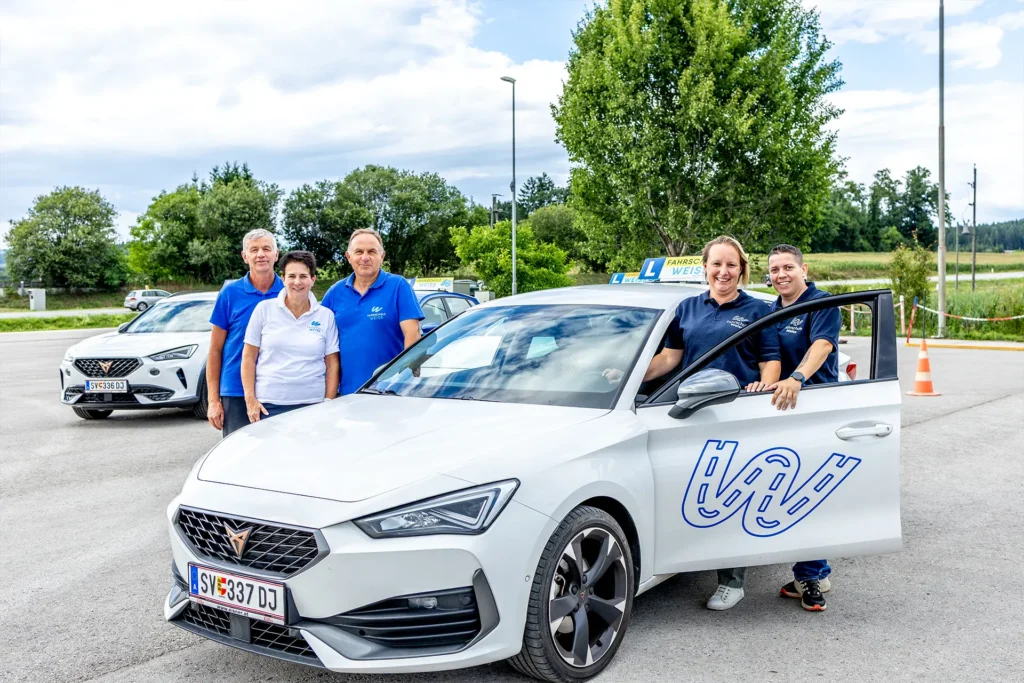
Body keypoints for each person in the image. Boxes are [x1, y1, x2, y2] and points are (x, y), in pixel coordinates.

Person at [608, 236, 781, 611]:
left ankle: (731, 580)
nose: (723, 271)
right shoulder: (686, 308)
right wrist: (626, 376)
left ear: (742, 269)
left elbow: (770, 360)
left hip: (734, 413)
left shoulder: (756, 310)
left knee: (731, 495)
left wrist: (765, 385)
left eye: (731, 265)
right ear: (704, 267)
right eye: (716, 264)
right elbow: (670, 359)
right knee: (695, 494)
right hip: (687, 412)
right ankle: (686, 557)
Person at [765, 243, 842, 612]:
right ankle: (816, 569)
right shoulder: (769, 311)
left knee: (805, 494)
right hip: (780, 408)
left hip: (815, 408)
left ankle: (809, 575)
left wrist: (797, 378)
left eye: (787, 268)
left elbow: (822, 346)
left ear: (803, 269)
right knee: (786, 490)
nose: (781, 275)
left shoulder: (820, 303)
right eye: (775, 270)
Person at [321, 228, 424, 395]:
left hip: (390, 392)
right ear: (349, 257)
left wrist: (403, 381)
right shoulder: (334, 293)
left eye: (372, 252)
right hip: (346, 394)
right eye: (359, 252)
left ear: (382, 256)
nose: (365, 258)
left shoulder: (398, 286)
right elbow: (321, 341)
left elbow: (412, 333)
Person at [240, 251, 340, 423]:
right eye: (291, 276)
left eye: (303, 276)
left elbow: (332, 363)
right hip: (270, 405)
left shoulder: (326, 316)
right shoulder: (264, 310)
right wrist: (250, 399)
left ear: (313, 279)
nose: (297, 282)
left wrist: (328, 402)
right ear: (283, 278)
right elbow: (248, 357)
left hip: (313, 405)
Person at [207, 229, 284, 437]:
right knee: (238, 456)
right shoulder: (230, 294)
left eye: (267, 249)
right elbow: (215, 350)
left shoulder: (289, 291)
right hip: (236, 391)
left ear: (276, 255)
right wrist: (213, 400)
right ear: (245, 256)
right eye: (254, 250)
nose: (261, 254)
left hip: (279, 390)